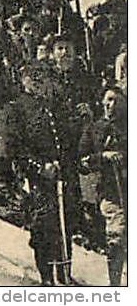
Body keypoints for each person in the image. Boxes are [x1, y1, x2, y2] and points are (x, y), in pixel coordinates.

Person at [0, 61, 71, 282]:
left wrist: (62, 164)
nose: (37, 80)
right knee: (43, 226)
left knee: (65, 221)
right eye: (31, 76)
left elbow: (66, 140)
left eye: (41, 75)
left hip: (59, 175)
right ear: (23, 79)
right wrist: (39, 166)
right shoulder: (16, 108)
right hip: (34, 176)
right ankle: (46, 277)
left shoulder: (55, 106)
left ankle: (64, 274)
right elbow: (15, 147)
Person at [78, 88, 127, 286]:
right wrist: (102, 158)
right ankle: (115, 286)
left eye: (116, 101)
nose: (111, 105)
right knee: (118, 235)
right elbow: (82, 162)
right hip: (110, 192)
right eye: (108, 100)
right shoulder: (94, 128)